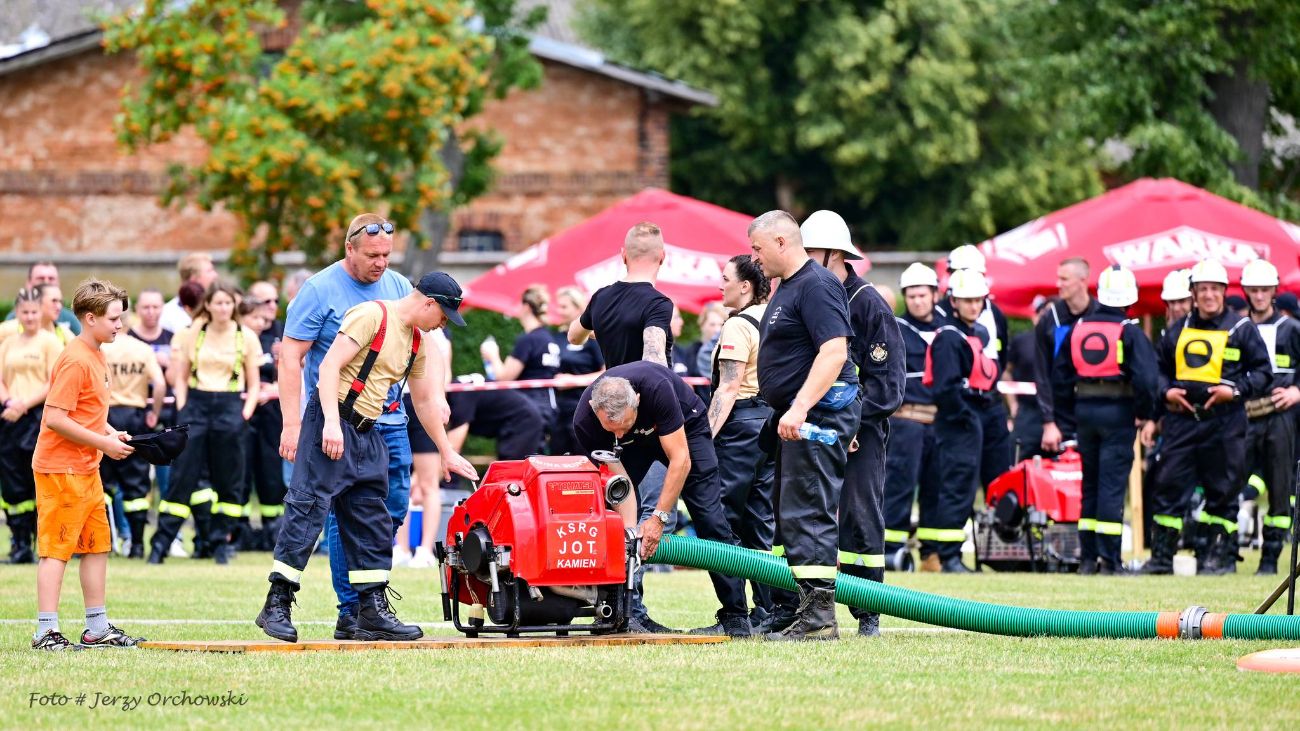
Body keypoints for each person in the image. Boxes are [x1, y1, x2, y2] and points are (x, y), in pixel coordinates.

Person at [256, 274, 477, 643]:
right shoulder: (372, 315)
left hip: (369, 431)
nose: (443, 325)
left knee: (371, 520)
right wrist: (329, 423)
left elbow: (423, 401)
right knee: (307, 510)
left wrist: (445, 450)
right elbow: (327, 368)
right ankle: (276, 603)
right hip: (331, 419)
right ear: (428, 303)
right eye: (443, 315)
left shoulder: (417, 341)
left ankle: (370, 611)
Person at [278, 214, 430, 639]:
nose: (381, 263)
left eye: (386, 255)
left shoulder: (399, 287)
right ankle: (353, 611)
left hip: (390, 422)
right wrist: (292, 424)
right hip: (339, 421)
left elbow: (415, 352)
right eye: (372, 256)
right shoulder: (320, 290)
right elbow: (292, 359)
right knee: (343, 516)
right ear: (350, 249)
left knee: (388, 513)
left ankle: (369, 602)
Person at [573, 364, 752, 637]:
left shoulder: (656, 390)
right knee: (614, 524)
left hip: (685, 430)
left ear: (638, 402)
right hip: (633, 450)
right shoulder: (586, 423)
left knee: (710, 519)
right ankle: (624, 611)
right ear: (594, 409)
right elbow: (621, 487)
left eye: (623, 426)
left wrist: (658, 518)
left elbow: (680, 460)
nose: (618, 436)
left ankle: (735, 616)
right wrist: (631, 532)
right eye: (611, 429)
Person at [748, 210, 861, 641]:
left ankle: (819, 619)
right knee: (791, 515)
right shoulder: (789, 287)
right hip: (799, 419)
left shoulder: (816, 285)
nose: (754, 258)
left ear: (781, 242)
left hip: (815, 418)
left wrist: (798, 408)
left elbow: (833, 353)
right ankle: (797, 608)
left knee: (810, 511)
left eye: (757, 248)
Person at [800, 210, 904, 638]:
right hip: (816, 428)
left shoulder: (867, 304)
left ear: (834, 254)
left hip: (861, 431)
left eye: (810, 252)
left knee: (860, 517)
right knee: (810, 516)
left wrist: (854, 425)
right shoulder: (813, 295)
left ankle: (869, 613)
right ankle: (809, 607)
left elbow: (888, 383)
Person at [31, 279, 143, 650]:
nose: (120, 325)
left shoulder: (97, 352)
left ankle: (97, 628)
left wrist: (112, 433)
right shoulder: (76, 358)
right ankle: (45, 632)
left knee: (96, 545)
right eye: (114, 319)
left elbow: (87, 411)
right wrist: (104, 444)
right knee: (56, 549)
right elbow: (56, 418)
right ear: (90, 318)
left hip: (86, 468)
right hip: (60, 469)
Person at [1151, 259, 1271, 575]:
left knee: (1224, 491)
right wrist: (1166, 393)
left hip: (1225, 421)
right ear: (1193, 293)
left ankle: (1219, 558)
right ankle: (1162, 559)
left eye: (1214, 289)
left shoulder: (1241, 329)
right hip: (1182, 422)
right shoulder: (1177, 330)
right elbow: (1158, 370)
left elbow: (1262, 373)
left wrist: (1235, 391)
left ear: (1223, 292)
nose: (1208, 295)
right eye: (1202, 289)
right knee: (1168, 488)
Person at [1049, 266, 1158, 574]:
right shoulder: (1129, 331)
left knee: (1091, 486)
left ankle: (1087, 559)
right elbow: (1148, 380)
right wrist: (1146, 412)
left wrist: (1067, 417)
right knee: (1111, 486)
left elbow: (1059, 377)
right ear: (1130, 297)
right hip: (1118, 413)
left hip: (1084, 413)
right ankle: (1110, 561)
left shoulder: (1077, 328)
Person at [151, 281, 261, 565]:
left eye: (228, 303)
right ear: (208, 305)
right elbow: (181, 375)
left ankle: (221, 542)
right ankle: (160, 543)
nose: (224, 308)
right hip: (196, 406)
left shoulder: (246, 336)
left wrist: (245, 412)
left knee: (229, 479)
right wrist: (184, 406)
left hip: (230, 406)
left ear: (233, 306)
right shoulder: (193, 333)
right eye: (218, 302)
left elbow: (254, 381)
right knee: (182, 476)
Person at [697, 254, 775, 630]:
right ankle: (770, 611)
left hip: (740, 426)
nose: (720, 285)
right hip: (769, 424)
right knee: (761, 521)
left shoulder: (738, 326)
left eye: (725, 278)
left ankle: (734, 616)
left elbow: (727, 389)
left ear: (745, 286)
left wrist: (703, 440)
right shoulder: (775, 316)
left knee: (721, 520)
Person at [918, 269, 999, 573]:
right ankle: (949, 557)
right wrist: (965, 416)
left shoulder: (971, 333)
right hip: (957, 423)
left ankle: (952, 554)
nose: (973, 306)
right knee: (956, 486)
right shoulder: (950, 338)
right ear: (954, 301)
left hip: (967, 419)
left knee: (964, 487)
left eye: (978, 300)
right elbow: (946, 388)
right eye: (967, 300)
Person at [1238, 260, 1300, 575]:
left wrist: (1297, 392)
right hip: (1243, 416)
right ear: (1245, 291)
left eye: (1264, 290)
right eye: (1254, 290)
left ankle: (1270, 558)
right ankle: (1222, 554)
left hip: (1280, 416)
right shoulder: (1237, 327)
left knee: (1279, 485)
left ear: (1274, 291)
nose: (1259, 296)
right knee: (1231, 479)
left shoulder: (1291, 328)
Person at [883, 263, 944, 572]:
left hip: (940, 423)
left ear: (935, 294)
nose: (918, 301)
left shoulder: (948, 328)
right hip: (906, 420)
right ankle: (891, 550)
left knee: (936, 488)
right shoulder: (896, 328)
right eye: (912, 295)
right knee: (899, 487)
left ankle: (932, 555)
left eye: (923, 295)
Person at [0, 288, 63, 564]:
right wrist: (10, 402)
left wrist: (24, 404)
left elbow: (54, 382)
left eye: (34, 312)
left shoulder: (51, 342)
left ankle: (44, 545)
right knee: (13, 484)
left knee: (37, 480)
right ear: (18, 314)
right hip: (10, 418)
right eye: (24, 312)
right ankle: (19, 544)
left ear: (41, 312)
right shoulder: (8, 343)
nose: (29, 317)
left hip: (38, 417)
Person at [945, 245, 1012, 489]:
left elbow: (1002, 356)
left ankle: (998, 524)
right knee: (958, 479)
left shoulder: (995, 315)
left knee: (999, 477)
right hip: (961, 403)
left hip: (990, 403)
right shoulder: (943, 313)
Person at [569, 221, 674, 368]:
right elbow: (654, 366)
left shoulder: (600, 297)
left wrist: (602, 331)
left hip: (612, 388)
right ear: (662, 257)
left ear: (623, 255)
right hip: (644, 390)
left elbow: (573, 337)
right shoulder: (658, 303)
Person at [99, 327, 165, 559]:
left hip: (104, 417)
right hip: (135, 417)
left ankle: (103, 542)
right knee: (136, 485)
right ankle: (137, 545)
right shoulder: (142, 349)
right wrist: (154, 413)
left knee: (102, 483)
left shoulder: (101, 348)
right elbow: (160, 384)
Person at [398, 327, 454, 569]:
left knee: (428, 482)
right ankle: (400, 547)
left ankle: (425, 549)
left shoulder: (439, 336)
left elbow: (446, 374)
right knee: (398, 479)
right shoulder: (397, 323)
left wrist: (439, 399)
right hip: (397, 402)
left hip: (426, 405)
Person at [479, 284, 560, 453]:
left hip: (527, 412)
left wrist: (492, 355)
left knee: (514, 465)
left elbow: (503, 377)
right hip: (548, 407)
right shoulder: (548, 338)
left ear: (526, 307)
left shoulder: (528, 340)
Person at [1035, 257, 1098, 453]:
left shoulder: (1101, 316)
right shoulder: (1048, 321)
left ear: (1083, 281)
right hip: (1062, 419)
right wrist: (1048, 423)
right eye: (1058, 278)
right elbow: (1041, 375)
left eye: (1064, 279)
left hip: (1097, 412)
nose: (1058, 284)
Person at [243, 281, 287, 549]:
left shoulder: (282, 332)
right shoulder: (242, 333)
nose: (272, 307)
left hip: (272, 412)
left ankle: (273, 531)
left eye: (274, 301)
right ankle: (242, 531)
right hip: (245, 411)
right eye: (265, 302)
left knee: (271, 471)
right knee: (243, 469)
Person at [550, 286, 604, 456]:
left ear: (578, 308)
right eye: (558, 306)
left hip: (584, 407)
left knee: (584, 458)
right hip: (558, 410)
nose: (559, 311)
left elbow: (607, 372)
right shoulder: (555, 337)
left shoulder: (593, 338)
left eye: (564, 307)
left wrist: (574, 380)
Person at [1004, 296, 1050, 460]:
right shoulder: (1021, 340)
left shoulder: (1064, 339)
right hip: (1027, 412)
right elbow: (1006, 371)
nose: (1046, 318)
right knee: (1018, 459)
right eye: (1042, 313)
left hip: (1057, 412)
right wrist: (1013, 404)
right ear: (1034, 316)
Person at [4, 261, 81, 334]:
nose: (46, 282)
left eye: (51, 278)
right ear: (29, 283)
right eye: (41, 278)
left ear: (58, 282)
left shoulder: (69, 319)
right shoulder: (13, 321)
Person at [160, 253, 219, 334]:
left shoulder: (219, 308)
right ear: (193, 278)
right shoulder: (167, 314)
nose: (215, 275)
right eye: (209, 271)